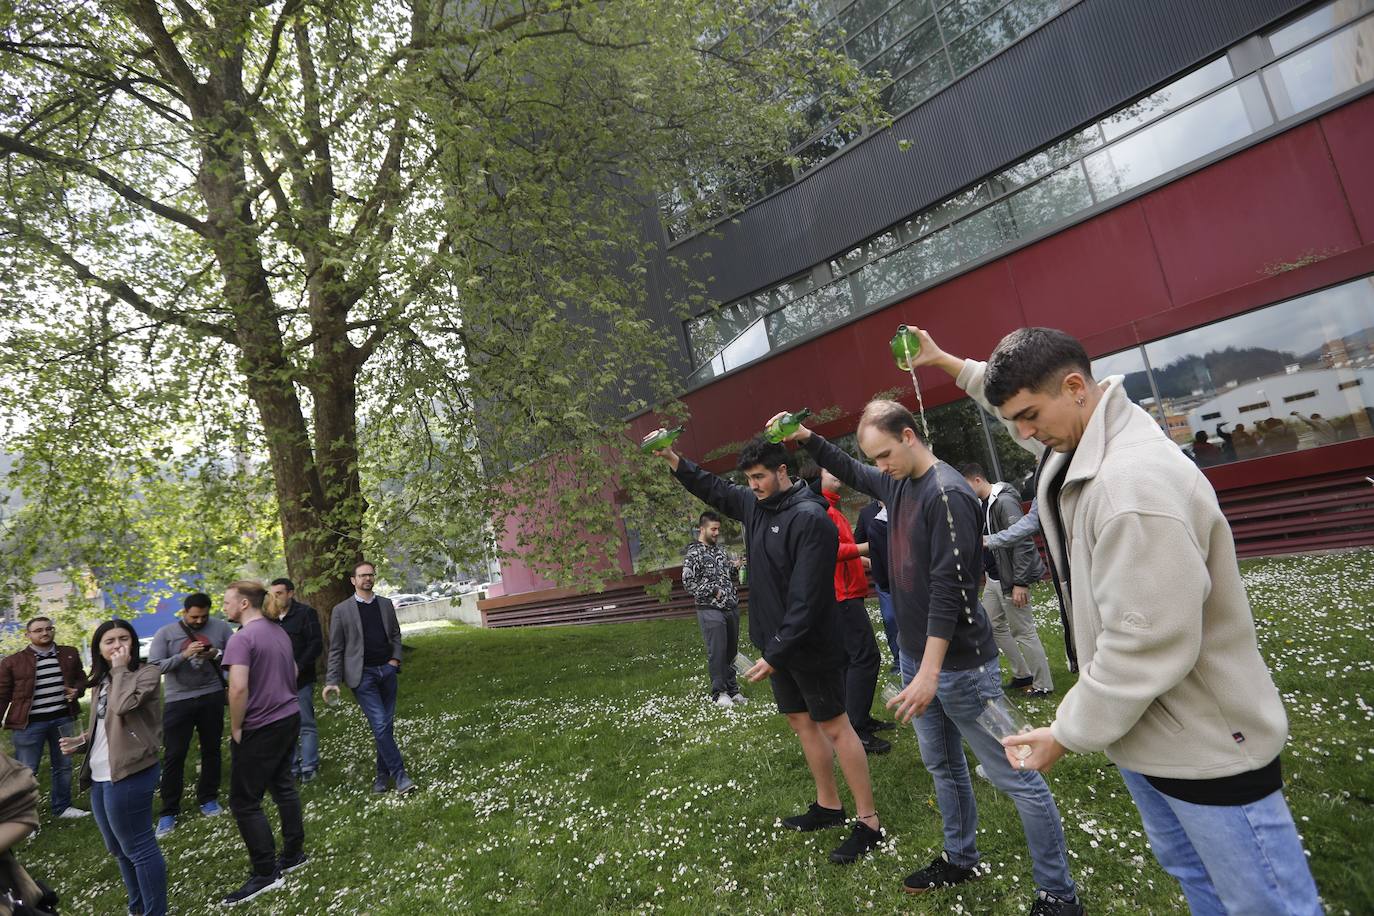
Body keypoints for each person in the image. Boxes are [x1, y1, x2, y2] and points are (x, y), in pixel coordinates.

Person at [913, 323, 1321, 915]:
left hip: (1208, 744)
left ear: (1075, 387)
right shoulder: (1083, 438)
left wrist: (1066, 732)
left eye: (1029, 416)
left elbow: (1144, 642)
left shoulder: (1131, 486)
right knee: (1197, 878)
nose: (1022, 433)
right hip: (1150, 733)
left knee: (1264, 904)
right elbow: (1016, 405)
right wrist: (946, 360)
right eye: (1013, 419)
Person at [782, 405, 1081, 913]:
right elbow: (851, 470)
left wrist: (929, 671)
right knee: (942, 765)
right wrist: (807, 436)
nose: (880, 466)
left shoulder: (948, 494)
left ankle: (1059, 893)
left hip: (961, 670)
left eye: (885, 454)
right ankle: (960, 858)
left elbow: (951, 590)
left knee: (1018, 774)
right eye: (874, 458)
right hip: (918, 661)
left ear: (909, 435)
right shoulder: (898, 481)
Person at [653, 434, 886, 865]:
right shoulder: (754, 505)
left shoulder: (810, 518)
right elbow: (714, 488)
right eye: (748, 478)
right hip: (775, 645)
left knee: (836, 726)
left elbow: (807, 598)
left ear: (783, 471)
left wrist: (775, 652)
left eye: (760, 476)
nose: (753, 485)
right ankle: (829, 806)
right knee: (801, 721)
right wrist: (673, 458)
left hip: (809, 643)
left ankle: (869, 822)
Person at [60, 619, 167, 916]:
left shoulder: (146, 673)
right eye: (110, 641)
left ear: (133, 643)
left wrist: (120, 670)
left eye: (124, 639)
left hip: (131, 771)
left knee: (139, 847)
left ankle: (155, 912)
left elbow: (123, 707)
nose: (118, 645)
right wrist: (81, 741)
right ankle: (137, 908)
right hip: (100, 774)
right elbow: (108, 728)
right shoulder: (102, 681)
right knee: (118, 849)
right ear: (99, 649)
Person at [220, 580, 307, 906]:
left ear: (244, 603)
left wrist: (236, 727)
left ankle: (266, 873)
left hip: (261, 726)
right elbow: (294, 670)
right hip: (289, 716)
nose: (224, 607)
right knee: (282, 785)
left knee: (244, 801)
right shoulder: (277, 631)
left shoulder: (242, 639)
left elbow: (237, 688)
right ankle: (294, 854)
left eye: (227, 601)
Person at [322, 562, 415, 794]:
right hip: (362, 676)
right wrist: (332, 681)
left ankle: (382, 777)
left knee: (385, 726)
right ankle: (400, 777)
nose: (367, 579)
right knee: (381, 724)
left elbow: (395, 634)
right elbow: (336, 648)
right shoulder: (341, 610)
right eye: (362, 575)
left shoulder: (385, 604)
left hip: (387, 671)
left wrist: (395, 660)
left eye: (371, 575)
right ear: (353, 580)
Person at [960, 463, 1052, 696]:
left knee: (1024, 631)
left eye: (966, 486)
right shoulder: (983, 503)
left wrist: (1020, 582)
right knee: (992, 625)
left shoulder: (1004, 501)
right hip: (993, 578)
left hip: (1010, 579)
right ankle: (1023, 675)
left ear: (977, 480)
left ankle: (1043, 685)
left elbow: (1022, 541)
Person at [147, 592, 233, 836]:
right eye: (194, 617)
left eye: (204, 616)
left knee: (211, 749)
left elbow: (236, 656)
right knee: (174, 755)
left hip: (211, 695)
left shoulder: (221, 627)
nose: (199, 621)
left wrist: (215, 654)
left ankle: (209, 798)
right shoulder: (166, 633)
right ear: (184, 613)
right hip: (178, 699)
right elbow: (154, 667)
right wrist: (183, 655)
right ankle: (168, 811)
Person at [816, 470, 888, 755]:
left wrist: (863, 559)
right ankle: (856, 728)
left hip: (847, 593)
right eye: (828, 470)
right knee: (866, 657)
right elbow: (830, 551)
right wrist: (869, 546)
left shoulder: (832, 508)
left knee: (851, 659)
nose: (836, 473)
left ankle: (858, 719)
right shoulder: (822, 510)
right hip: (842, 596)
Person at [0, 616, 88, 820]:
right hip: (29, 724)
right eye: (38, 630)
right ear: (27, 635)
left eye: (48, 628)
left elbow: (81, 679)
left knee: (64, 766)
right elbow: (2, 694)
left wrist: (77, 690)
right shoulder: (12, 662)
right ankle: (23, 816)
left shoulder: (69, 653)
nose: (45, 633)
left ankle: (62, 807)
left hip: (64, 718)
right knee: (26, 771)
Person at [681, 511, 745, 708]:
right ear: (702, 529)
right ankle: (720, 693)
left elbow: (726, 575)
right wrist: (713, 590)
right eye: (713, 529)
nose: (717, 533)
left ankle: (733, 690)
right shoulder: (694, 554)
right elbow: (688, 583)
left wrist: (736, 567)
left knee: (731, 651)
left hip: (730, 606)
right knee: (717, 651)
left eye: (718, 529)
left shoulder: (720, 551)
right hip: (710, 609)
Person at [269, 578, 324, 781]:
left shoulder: (305, 613)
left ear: (290, 593)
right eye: (273, 594)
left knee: (305, 723)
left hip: (301, 679)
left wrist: (299, 666)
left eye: (279, 593)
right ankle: (292, 766)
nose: (276, 598)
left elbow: (316, 644)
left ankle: (309, 766)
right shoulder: (269, 617)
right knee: (283, 725)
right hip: (276, 682)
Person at [855, 499, 900, 674]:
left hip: (909, 575)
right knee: (890, 618)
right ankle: (898, 661)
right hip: (884, 579)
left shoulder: (901, 504)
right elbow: (855, 545)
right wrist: (869, 561)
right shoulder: (867, 513)